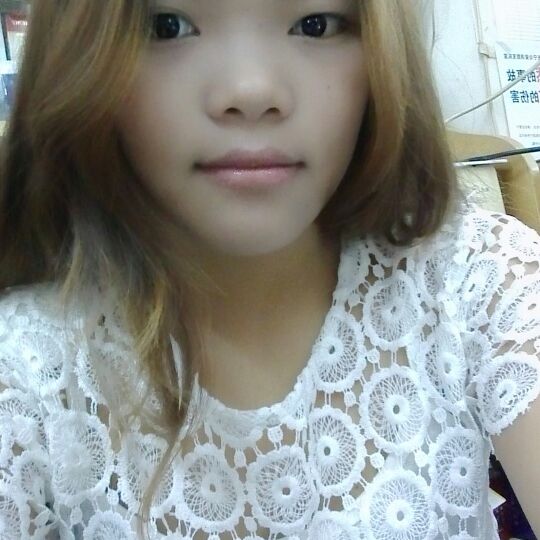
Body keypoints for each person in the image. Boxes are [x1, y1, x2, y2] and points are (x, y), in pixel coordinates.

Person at [0, 1, 538, 539]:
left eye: (315, 25)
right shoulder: (26, 369)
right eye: (168, 27)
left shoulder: (478, 280)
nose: (251, 90)